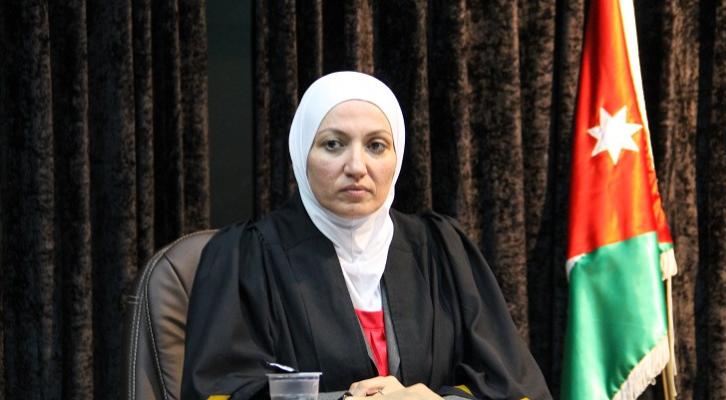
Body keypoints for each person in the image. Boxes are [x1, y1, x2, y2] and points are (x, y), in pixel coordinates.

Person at [181, 71, 552, 400]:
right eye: (333, 144)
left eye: (376, 146)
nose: (356, 166)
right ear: (301, 152)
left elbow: (514, 388)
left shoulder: (442, 251)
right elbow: (219, 391)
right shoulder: (245, 259)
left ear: (397, 156)